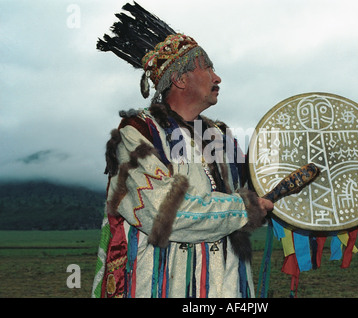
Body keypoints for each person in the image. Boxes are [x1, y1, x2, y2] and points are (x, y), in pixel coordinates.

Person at [91, 2, 273, 298]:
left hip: (228, 286)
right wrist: (244, 208)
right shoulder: (138, 133)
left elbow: (258, 191)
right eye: (209, 68)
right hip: (164, 285)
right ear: (180, 78)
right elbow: (164, 214)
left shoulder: (221, 137)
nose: (218, 78)